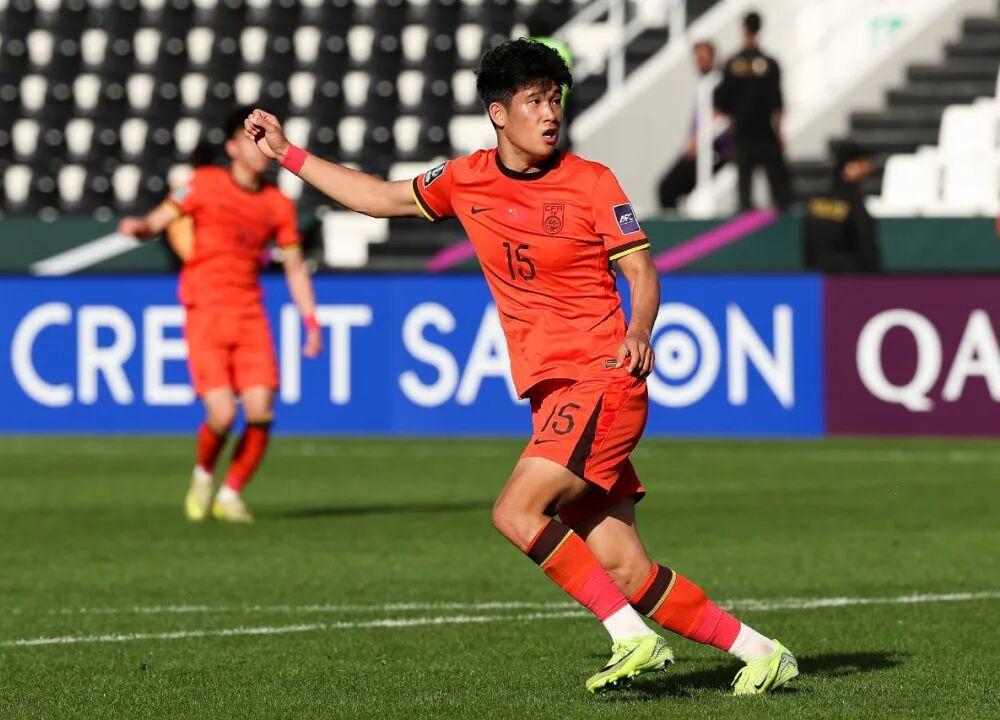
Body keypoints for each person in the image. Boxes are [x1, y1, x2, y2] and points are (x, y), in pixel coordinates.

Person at [244, 39, 797, 695]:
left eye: (555, 99)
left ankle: (631, 640)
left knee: (515, 512)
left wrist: (639, 329)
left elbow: (642, 271)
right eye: (535, 100)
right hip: (555, 394)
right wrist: (288, 154)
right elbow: (378, 197)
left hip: (603, 378)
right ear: (499, 113)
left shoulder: (592, 181)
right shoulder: (465, 178)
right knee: (627, 572)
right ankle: (761, 651)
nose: (550, 113)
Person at [117, 106, 323, 524]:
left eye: (264, 139)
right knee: (223, 414)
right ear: (231, 147)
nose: (260, 148)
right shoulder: (203, 183)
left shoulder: (278, 205)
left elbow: (294, 267)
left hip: (250, 314)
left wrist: (311, 322)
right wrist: (140, 228)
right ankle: (203, 474)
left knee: (261, 409)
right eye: (251, 139)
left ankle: (230, 494)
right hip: (206, 311)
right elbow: (159, 220)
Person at [715, 12, 792, 211]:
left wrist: (733, 124)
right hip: (765, 130)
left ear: (744, 29)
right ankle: (780, 218)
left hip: (742, 131)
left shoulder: (732, 64)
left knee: (744, 185)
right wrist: (779, 132)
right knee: (778, 184)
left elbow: (722, 103)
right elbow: (778, 104)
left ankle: (746, 218)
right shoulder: (770, 63)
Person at [658, 40, 731, 210]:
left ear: (714, 58)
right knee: (666, 188)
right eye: (698, 60)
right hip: (698, 149)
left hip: (714, 152)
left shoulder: (720, 84)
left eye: (704, 59)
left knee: (668, 188)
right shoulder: (705, 84)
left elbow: (721, 118)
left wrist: (698, 141)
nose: (701, 63)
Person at [804, 141, 881, 272]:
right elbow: (866, 245)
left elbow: (808, 250)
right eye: (862, 162)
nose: (869, 167)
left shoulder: (817, 201)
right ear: (849, 166)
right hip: (850, 278)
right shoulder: (853, 203)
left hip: (820, 278)